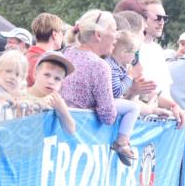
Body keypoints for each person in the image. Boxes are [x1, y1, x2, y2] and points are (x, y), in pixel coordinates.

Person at [60, 10, 141, 166]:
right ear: (98, 35)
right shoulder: (99, 65)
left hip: (62, 132)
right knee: (133, 107)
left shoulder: (67, 52)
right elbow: (108, 116)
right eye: (114, 30)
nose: (116, 36)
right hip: (79, 140)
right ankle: (122, 143)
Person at [25, 51, 77, 135]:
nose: (51, 81)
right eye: (47, 75)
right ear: (35, 74)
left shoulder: (56, 102)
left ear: (61, 83)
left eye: (57, 79)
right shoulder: (21, 95)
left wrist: (61, 109)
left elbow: (71, 130)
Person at [0, 50, 29, 120]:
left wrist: (19, 113)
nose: (12, 77)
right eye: (8, 71)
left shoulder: (18, 98)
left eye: (17, 74)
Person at [27, 13, 65, 84]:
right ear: (55, 35)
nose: (63, 36)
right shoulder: (41, 61)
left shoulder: (27, 55)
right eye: (62, 32)